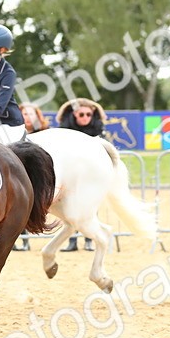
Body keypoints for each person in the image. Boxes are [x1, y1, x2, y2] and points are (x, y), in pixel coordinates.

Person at [57, 97, 108, 252]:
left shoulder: (99, 130)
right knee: (69, 209)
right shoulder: (63, 131)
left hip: (90, 176)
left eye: (88, 114)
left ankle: (89, 240)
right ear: (74, 115)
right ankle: (72, 241)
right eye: (81, 114)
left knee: (90, 208)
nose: (85, 117)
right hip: (70, 175)